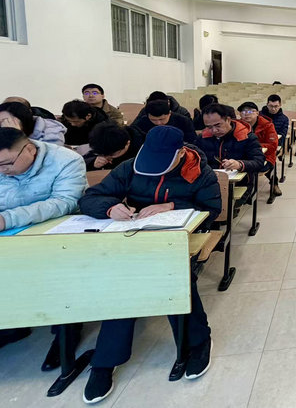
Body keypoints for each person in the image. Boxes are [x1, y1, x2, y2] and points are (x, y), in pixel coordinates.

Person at [79, 126, 221, 404]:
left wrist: (172, 206)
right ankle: (105, 361)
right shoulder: (130, 167)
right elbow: (90, 198)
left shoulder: (200, 173)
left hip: (178, 240)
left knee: (176, 278)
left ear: (180, 153)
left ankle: (198, 341)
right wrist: (110, 208)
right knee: (123, 286)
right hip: (133, 241)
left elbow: (211, 210)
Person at [0, 127, 86, 371]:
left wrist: (7, 218)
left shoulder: (66, 160)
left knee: (57, 273)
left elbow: (64, 202)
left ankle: (66, 330)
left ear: (29, 149)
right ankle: (7, 326)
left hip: (57, 234)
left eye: (6, 164)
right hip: (3, 235)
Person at [197, 104, 266, 201]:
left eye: (218, 125)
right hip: (209, 183)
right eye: (209, 127)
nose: (214, 130)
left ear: (228, 120)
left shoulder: (246, 136)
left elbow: (259, 162)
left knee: (222, 203)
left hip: (239, 183)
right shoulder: (203, 138)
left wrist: (240, 164)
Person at [237, 102, 279, 193]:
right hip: (242, 156)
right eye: (243, 112)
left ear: (257, 113)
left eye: (250, 111)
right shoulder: (237, 126)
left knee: (254, 167)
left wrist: (253, 146)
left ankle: (274, 183)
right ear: (240, 114)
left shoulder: (267, 125)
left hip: (265, 155)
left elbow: (273, 145)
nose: (247, 114)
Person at [0, 101, 67, 146]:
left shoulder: (52, 131)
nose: (4, 125)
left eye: (7, 120)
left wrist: (16, 136)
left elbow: (45, 158)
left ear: (22, 118)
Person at [131, 100, 197, 144]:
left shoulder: (183, 121)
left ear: (169, 113)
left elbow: (192, 141)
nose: (158, 123)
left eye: (162, 119)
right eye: (153, 120)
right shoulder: (142, 123)